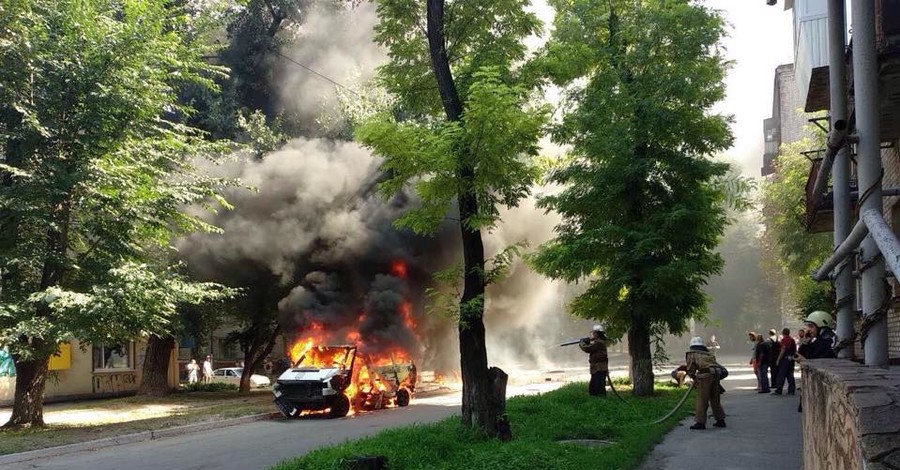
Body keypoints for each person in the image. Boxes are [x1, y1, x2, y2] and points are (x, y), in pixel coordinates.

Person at [685, 336, 726, 430]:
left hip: (705, 377)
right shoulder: (708, 353)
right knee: (715, 398)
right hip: (716, 375)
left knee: (702, 400)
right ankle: (720, 420)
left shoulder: (692, 353)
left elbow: (691, 368)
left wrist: (694, 377)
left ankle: (700, 423)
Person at [579, 324, 609, 396]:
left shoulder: (599, 342)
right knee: (595, 386)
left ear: (597, 333)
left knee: (597, 387)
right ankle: (598, 400)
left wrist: (582, 343)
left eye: (594, 333)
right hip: (597, 368)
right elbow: (592, 347)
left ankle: (600, 401)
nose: (593, 334)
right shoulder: (598, 341)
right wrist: (587, 342)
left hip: (599, 368)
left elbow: (588, 349)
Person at [772, 328, 796, 395]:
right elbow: (795, 350)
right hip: (791, 359)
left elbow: (783, 350)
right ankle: (791, 390)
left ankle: (779, 390)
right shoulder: (792, 340)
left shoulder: (784, 340)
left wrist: (778, 360)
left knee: (781, 375)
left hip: (785, 360)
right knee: (790, 375)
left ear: (783, 333)